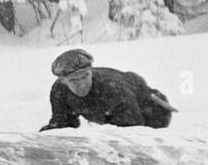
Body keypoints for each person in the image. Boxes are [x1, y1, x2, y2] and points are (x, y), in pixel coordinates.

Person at [40, 49, 176, 131]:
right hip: (113, 115)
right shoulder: (59, 91)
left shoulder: (113, 89)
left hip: (153, 109)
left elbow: (133, 133)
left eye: (85, 76)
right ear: (63, 81)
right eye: (74, 80)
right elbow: (63, 125)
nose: (81, 84)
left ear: (91, 72)